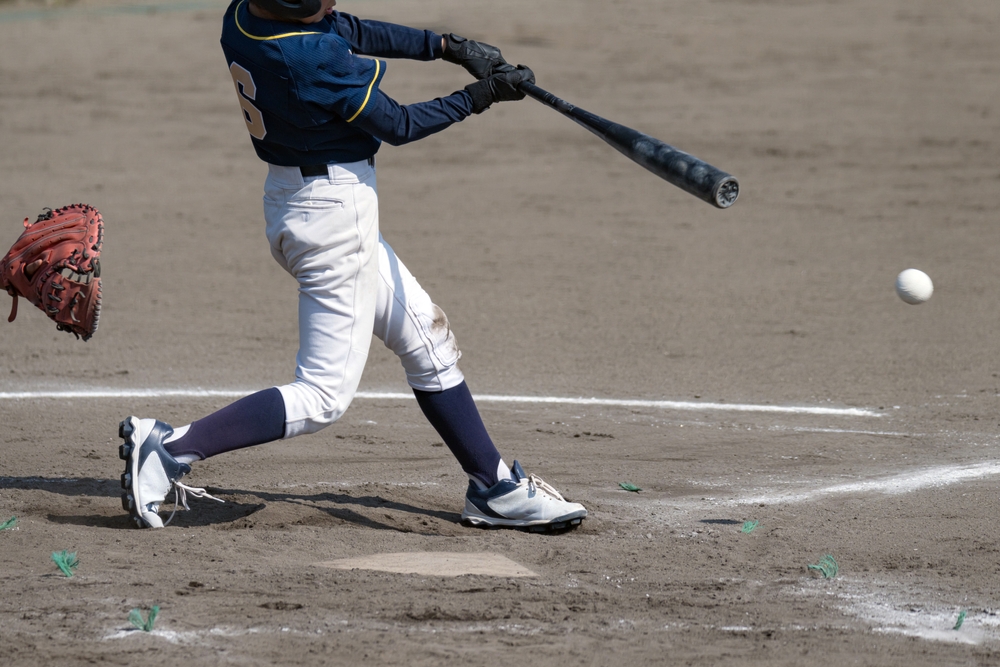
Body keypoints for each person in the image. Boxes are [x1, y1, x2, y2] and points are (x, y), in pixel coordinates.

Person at [117, 0, 587, 532]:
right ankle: (171, 449)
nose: (333, 2)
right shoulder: (311, 57)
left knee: (427, 341)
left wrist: (448, 48)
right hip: (332, 217)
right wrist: (479, 97)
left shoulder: (247, 14)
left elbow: (348, 28)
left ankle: (492, 487)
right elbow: (400, 123)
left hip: (304, 200)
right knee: (322, 395)